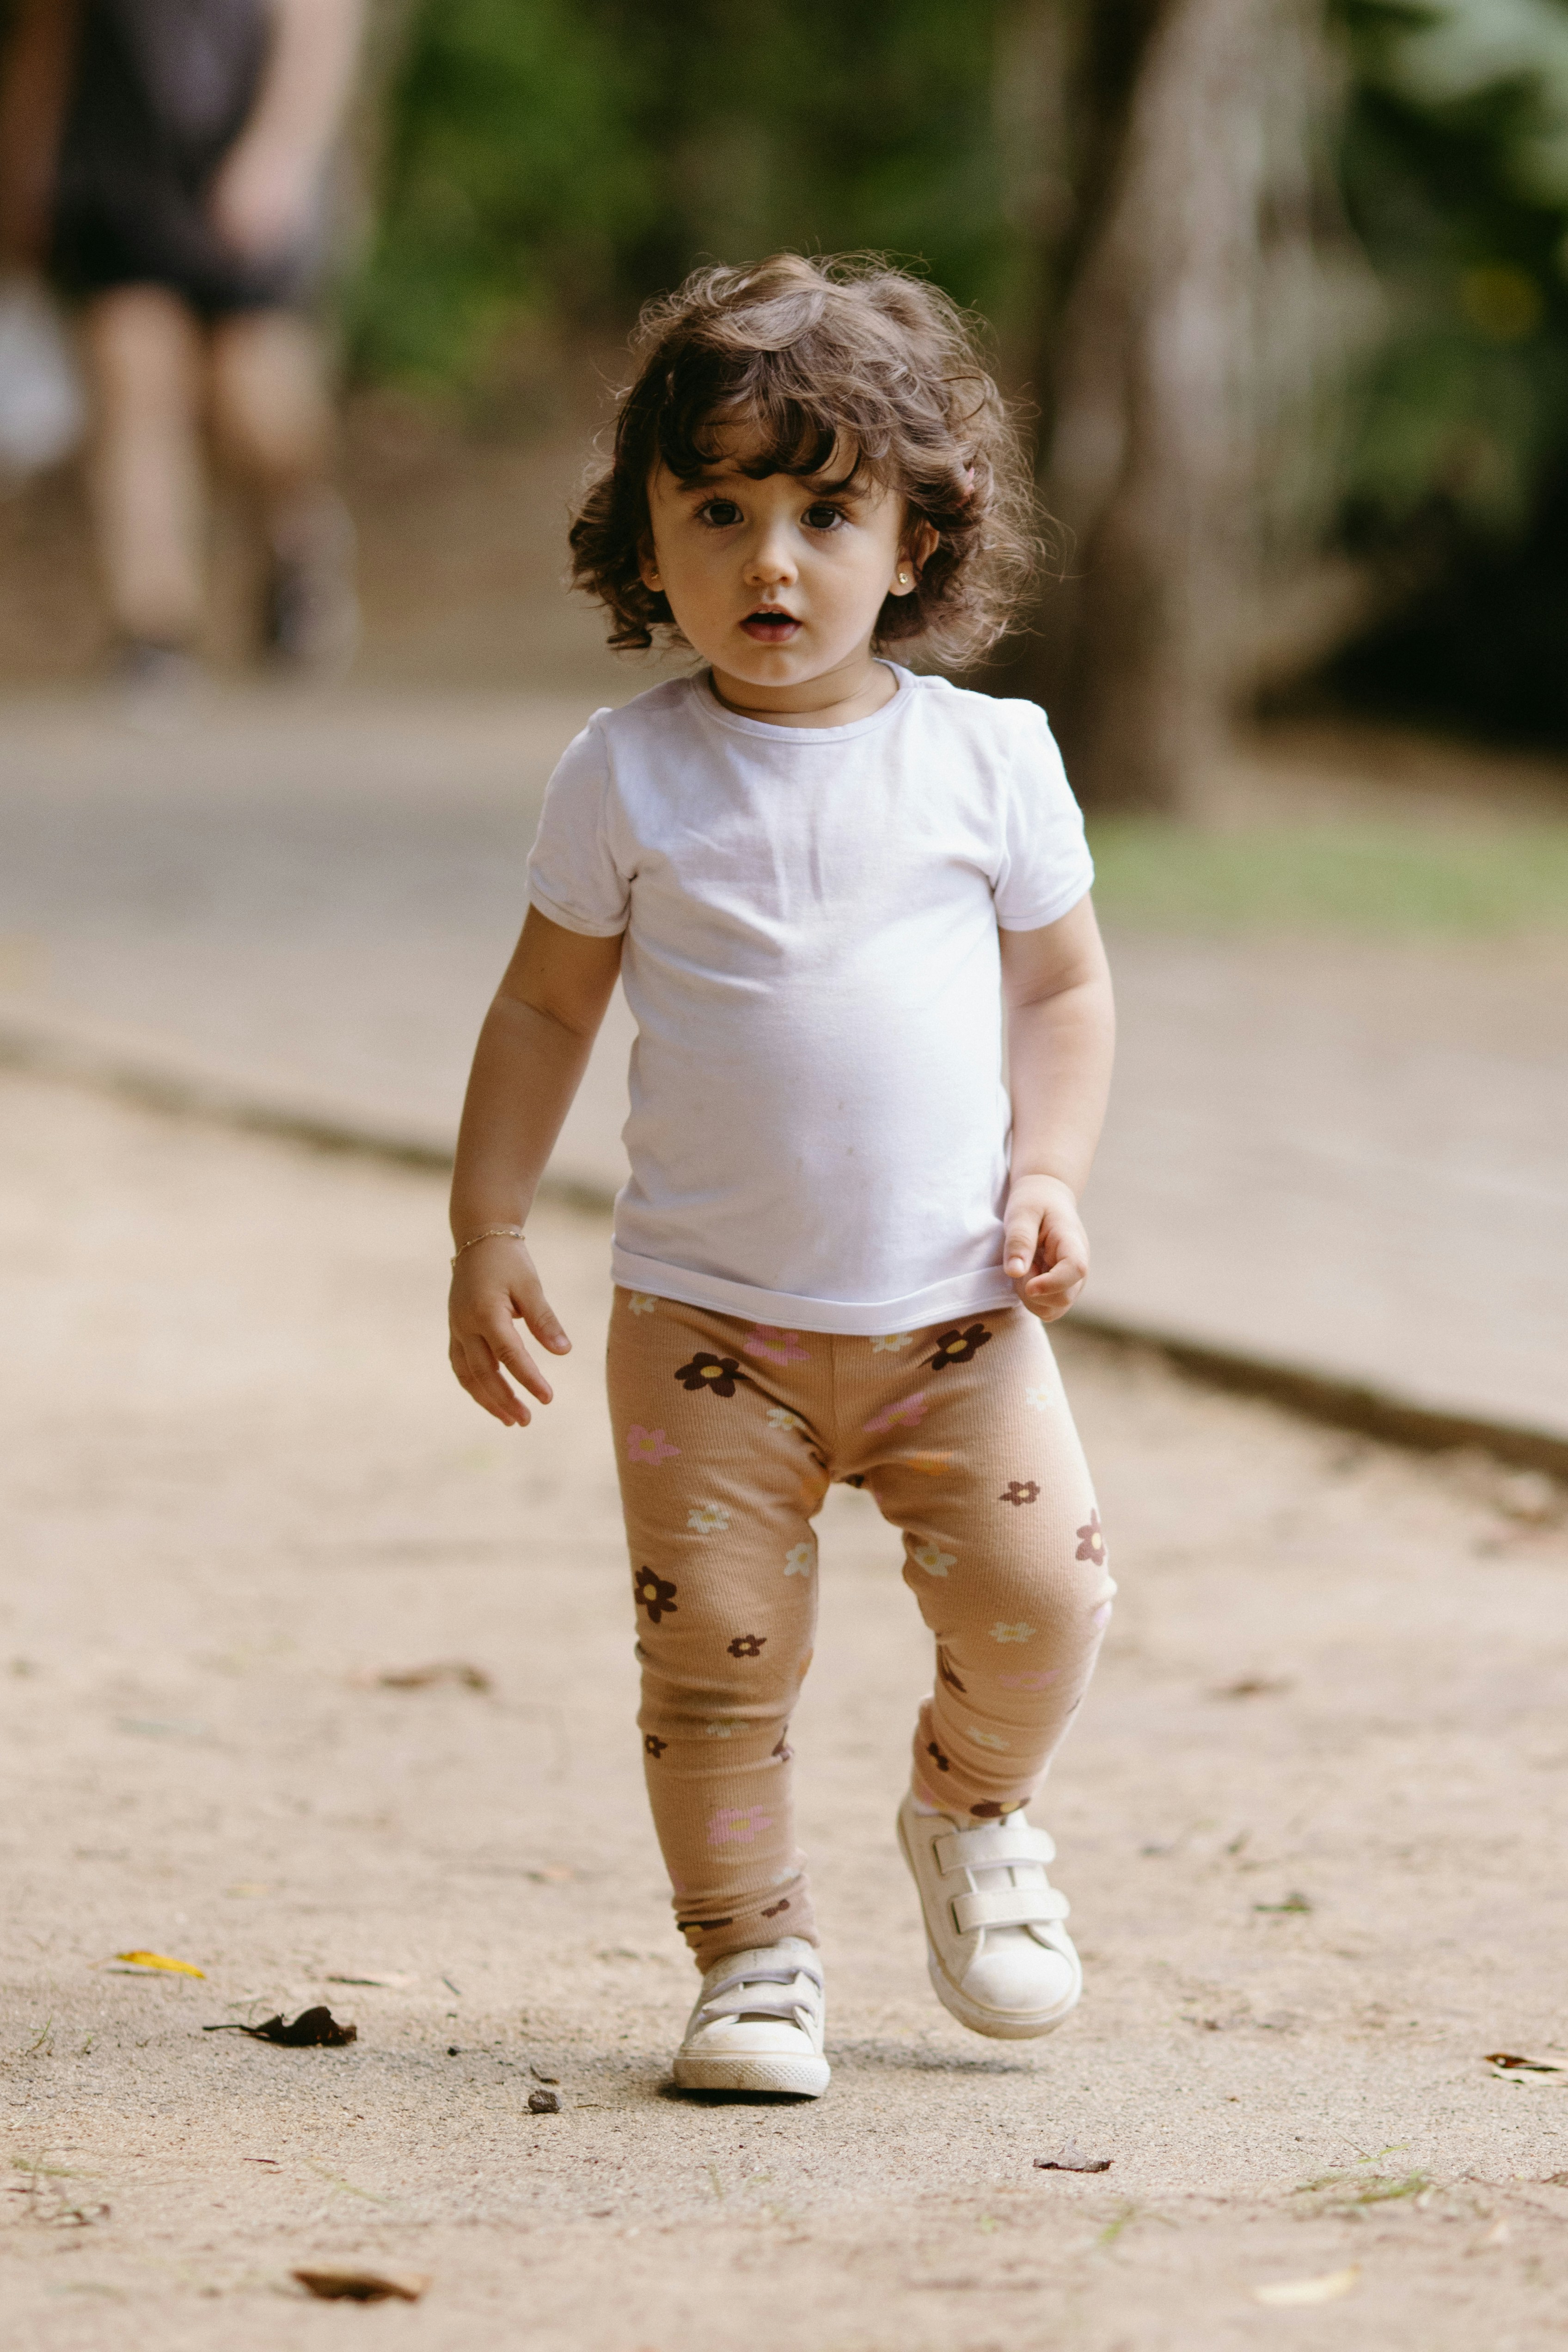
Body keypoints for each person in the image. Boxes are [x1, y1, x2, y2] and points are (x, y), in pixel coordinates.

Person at [447, 255, 1118, 2099]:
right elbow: (537, 1012)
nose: (770, 560)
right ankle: (751, 1962)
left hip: (954, 1317)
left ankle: (968, 1812)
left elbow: (1058, 987)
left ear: (914, 539)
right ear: (642, 536)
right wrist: (489, 1220)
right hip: (701, 1328)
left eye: (825, 511)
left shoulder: (989, 762)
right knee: (716, 1668)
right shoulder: (626, 773)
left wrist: (1048, 1166)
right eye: (718, 508)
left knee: (1040, 1598)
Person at [0, 0, 363, 680]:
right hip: (115, 169)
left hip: (248, 164)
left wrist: (279, 152)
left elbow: (320, 26)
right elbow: (51, 35)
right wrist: (27, 160)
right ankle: (153, 628)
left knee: (252, 394)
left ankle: (297, 534)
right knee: (134, 379)